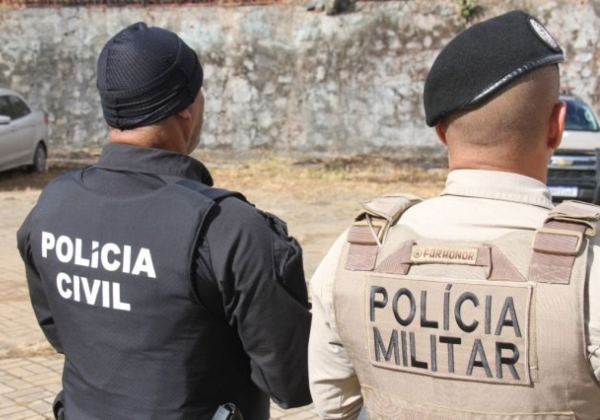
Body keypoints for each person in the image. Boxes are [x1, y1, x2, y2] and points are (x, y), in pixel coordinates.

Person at [308, 10, 600, 418]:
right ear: (557, 126)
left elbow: (335, 407)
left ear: (442, 132)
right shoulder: (590, 269)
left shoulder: (356, 252)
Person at [17, 22, 312, 419]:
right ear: (186, 106)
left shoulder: (51, 207)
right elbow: (293, 381)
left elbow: (61, 333)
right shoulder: (229, 228)